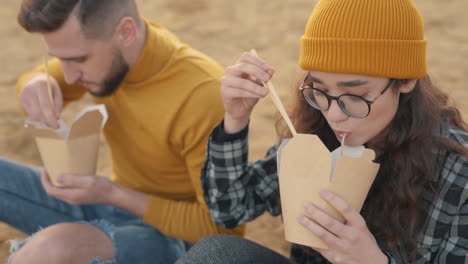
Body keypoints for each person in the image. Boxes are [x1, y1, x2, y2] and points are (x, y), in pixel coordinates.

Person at [175, 0, 468, 263]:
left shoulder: (457, 172)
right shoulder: (313, 128)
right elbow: (229, 210)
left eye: (356, 95)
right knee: (216, 254)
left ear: (405, 82)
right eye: (320, 90)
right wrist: (235, 120)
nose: (334, 114)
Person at [2, 0, 244, 263]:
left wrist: (110, 193)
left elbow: (221, 230)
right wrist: (36, 82)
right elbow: (44, 80)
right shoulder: (111, 55)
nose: (69, 76)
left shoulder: (203, 95)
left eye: (78, 59)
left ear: (126, 32)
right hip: (109, 202)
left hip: (178, 239)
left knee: (49, 249)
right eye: (59, 60)